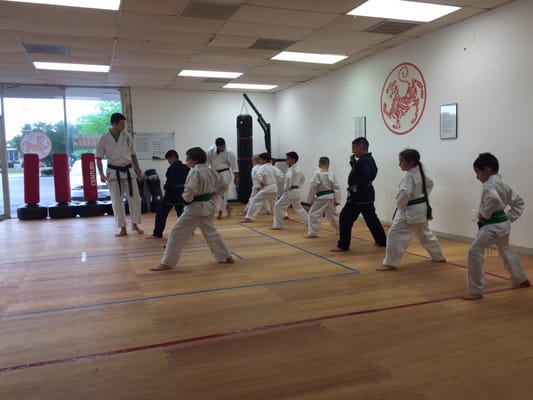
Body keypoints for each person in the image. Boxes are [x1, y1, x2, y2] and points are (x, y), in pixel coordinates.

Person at [150, 147, 234, 271]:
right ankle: (226, 256)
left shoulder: (195, 172)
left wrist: (186, 200)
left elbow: (190, 189)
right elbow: (224, 184)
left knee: (176, 232)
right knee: (211, 232)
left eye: (188, 158)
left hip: (195, 208)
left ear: (194, 160)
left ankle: (167, 263)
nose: (186, 161)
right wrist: (214, 194)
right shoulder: (211, 171)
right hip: (208, 206)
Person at [463, 152, 530, 299]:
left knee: (474, 251)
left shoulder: (489, 185)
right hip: (503, 225)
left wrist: (484, 214)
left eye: (478, 172)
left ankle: (475, 291)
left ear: (487, 170)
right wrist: (507, 218)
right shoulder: (503, 183)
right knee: (505, 249)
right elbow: (519, 203)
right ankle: (520, 279)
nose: (477, 177)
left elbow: (492, 199)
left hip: (492, 226)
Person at [378, 149, 446, 271]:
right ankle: (438, 256)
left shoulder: (409, 176)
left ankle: (390, 262)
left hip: (411, 212)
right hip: (421, 209)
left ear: (410, 162)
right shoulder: (419, 172)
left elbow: (404, 193)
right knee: (425, 234)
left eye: (401, 162)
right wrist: (421, 197)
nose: (399, 164)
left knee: (394, 234)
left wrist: (401, 206)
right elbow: (430, 184)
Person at [332, 137, 386, 252]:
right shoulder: (368, 159)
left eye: (354, 148)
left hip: (359, 196)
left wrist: (357, 188)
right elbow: (366, 173)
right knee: (371, 218)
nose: (353, 151)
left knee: (345, 218)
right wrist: (354, 164)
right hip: (367, 195)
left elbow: (365, 176)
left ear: (361, 147)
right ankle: (382, 241)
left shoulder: (364, 160)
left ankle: (343, 245)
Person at [96, 113, 144, 237]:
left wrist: (138, 170)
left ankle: (135, 223)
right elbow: (98, 158)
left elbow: (133, 155)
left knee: (135, 199)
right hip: (113, 172)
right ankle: (122, 227)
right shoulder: (104, 138)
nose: (124, 126)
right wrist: (101, 174)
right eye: (122, 124)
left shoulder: (127, 137)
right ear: (114, 124)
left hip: (128, 171)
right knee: (116, 201)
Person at [147, 150, 190, 239]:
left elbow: (169, 183)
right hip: (182, 195)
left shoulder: (172, 168)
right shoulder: (186, 168)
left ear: (173, 157)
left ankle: (157, 233)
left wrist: (165, 187)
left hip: (171, 196)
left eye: (169, 159)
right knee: (182, 214)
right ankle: (188, 231)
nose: (168, 162)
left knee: (161, 213)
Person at [241, 153, 284, 222]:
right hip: (274, 187)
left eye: (260, 159)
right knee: (275, 202)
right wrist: (275, 180)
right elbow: (281, 175)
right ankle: (283, 215)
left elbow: (258, 175)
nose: (259, 161)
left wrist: (260, 181)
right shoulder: (273, 167)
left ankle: (249, 218)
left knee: (255, 201)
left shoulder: (262, 167)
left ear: (264, 160)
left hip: (267, 188)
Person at [305, 156, 341, 238]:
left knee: (313, 214)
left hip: (321, 198)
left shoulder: (317, 174)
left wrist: (310, 200)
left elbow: (313, 186)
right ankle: (339, 230)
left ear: (319, 164)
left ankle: (313, 233)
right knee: (332, 214)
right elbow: (336, 187)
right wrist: (337, 200)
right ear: (328, 165)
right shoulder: (331, 174)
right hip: (331, 197)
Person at [272, 151, 308, 229]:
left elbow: (288, 179)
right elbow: (303, 178)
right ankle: (308, 222)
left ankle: (278, 225)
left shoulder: (291, 169)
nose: (286, 160)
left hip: (290, 191)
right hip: (297, 190)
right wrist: (298, 186)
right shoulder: (298, 168)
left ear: (293, 160)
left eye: (288, 159)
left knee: (277, 206)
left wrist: (286, 188)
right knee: (298, 207)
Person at [206, 137, 239, 219]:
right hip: (214, 173)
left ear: (225, 144)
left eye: (223, 146)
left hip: (225, 173)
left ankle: (220, 213)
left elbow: (234, 166)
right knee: (214, 194)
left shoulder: (229, 152)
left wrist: (236, 177)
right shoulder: (210, 151)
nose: (222, 148)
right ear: (216, 146)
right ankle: (227, 207)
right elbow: (206, 164)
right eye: (220, 147)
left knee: (223, 194)